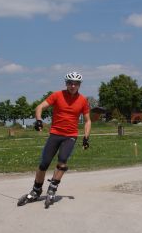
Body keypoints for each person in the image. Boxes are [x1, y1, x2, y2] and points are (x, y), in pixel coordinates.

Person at [18, 71, 91, 206]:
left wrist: (86, 138)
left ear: (79, 85)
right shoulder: (57, 95)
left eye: (76, 83)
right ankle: (36, 190)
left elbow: (88, 121)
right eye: (70, 83)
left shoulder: (83, 100)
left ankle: (52, 188)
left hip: (70, 136)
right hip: (55, 134)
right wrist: (38, 120)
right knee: (44, 164)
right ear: (66, 83)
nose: (73, 86)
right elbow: (40, 107)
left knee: (62, 162)